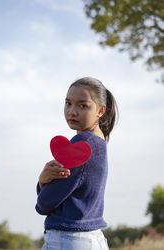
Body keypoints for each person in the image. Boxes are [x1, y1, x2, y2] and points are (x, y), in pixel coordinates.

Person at [35, 77, 118, 250]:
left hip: (68, 240)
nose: (72, 111)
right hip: (93, 239)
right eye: (68, 103)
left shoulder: (83, 144)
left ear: (100, 110)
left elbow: (45, 203)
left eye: (82, 105)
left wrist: (42, 182)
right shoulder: (98, 142)